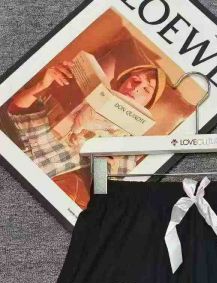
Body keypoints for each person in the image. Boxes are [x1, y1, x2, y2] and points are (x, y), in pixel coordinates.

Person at [7, 59, 166, 206]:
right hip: (25, 164)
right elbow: (17, 112)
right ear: (123, 81)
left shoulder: (130, 146)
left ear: (148, 104)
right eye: (135, 80)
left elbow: (104, 196)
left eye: (146, 89)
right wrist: (42, 84)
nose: (136, 88)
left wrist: (102, 162)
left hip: (55, 189)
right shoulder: (81, 97)